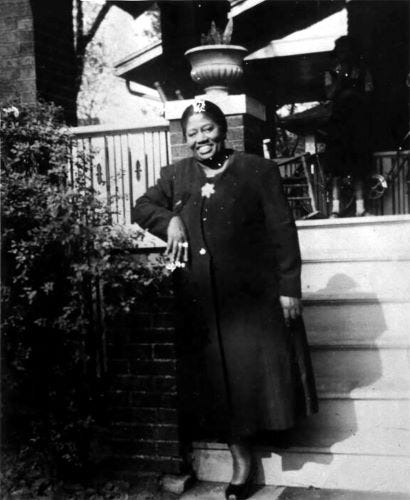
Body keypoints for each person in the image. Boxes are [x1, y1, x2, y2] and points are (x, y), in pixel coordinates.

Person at [132, 99, 317, 500]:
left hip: (254, 298)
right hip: (205, 302)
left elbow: (283, 231)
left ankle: (270, 437)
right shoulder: (175, 175)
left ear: (223, 130)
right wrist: (171, 220)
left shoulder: (257, 171)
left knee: (257, 374)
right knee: (222, 384)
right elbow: (142, 207)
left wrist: (289, 288)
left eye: (208, 129)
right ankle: (241, 462)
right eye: (193, 133)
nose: (202, 138)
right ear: (186, 139)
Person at [322, 35, 374, 217]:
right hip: (339, 124)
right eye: (341, 51)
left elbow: (369, 94)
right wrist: (341, 78)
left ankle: (361, 208)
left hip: (357, 123)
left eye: (348, 50)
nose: (345, 54)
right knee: (337, 168)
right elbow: (329, 94)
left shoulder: (363, 71)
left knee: (359, 166)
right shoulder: (330, 72)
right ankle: (335, 209)